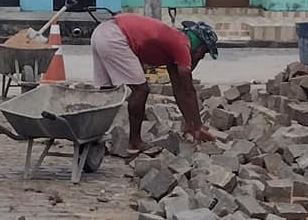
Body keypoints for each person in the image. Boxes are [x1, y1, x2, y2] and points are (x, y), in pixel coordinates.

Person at [88, 13, 218, 153]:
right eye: (203, 52)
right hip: (115, 36)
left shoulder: (173, 42)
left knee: (107, 91)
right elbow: (188, 90)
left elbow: (179, 91)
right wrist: (198, 125)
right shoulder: (182, 44)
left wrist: (189, 123)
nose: (201, 57)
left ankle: (93, 137)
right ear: (199, 47)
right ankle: (135, 142)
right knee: (141, 90)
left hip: (101, 32)